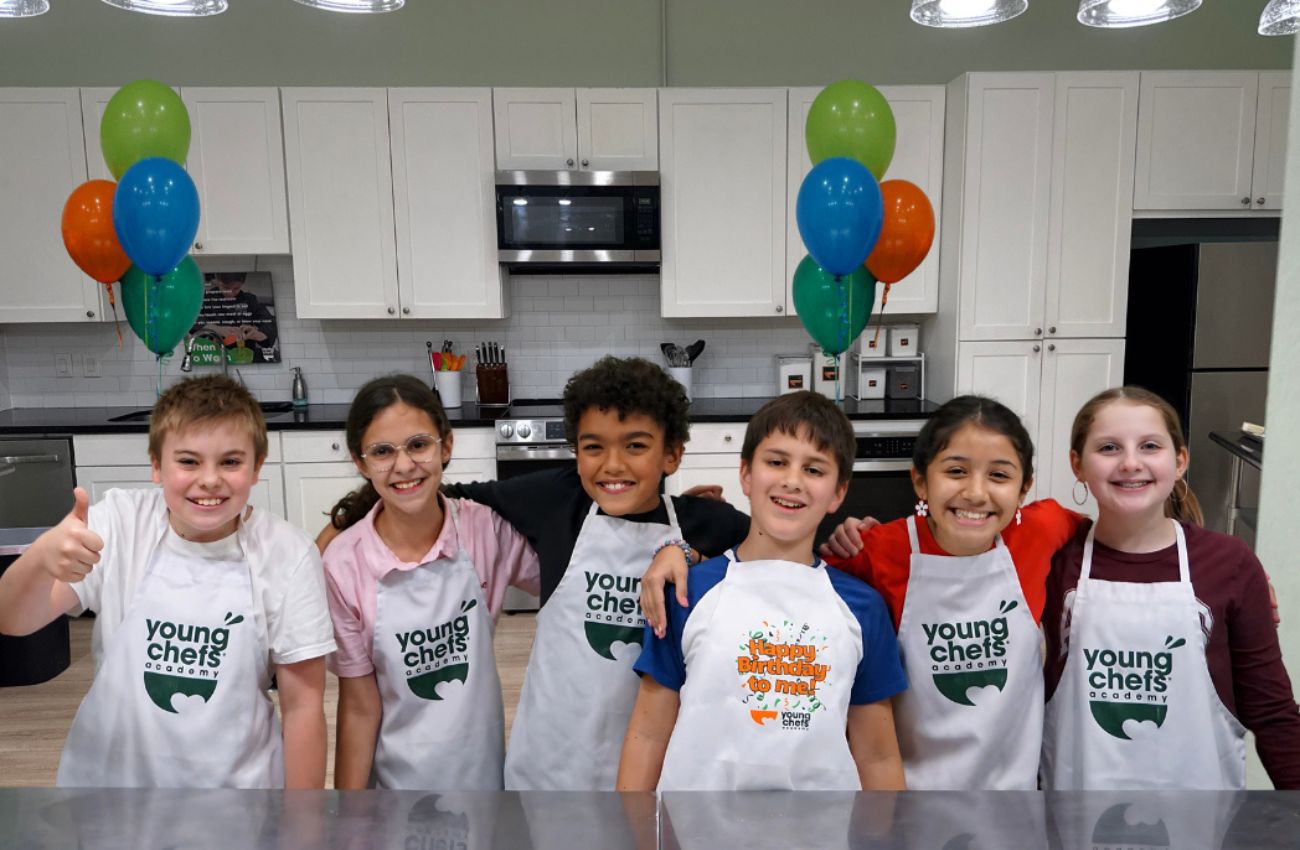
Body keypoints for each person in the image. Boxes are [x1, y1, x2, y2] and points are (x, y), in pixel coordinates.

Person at [643, 395, 1082, 790]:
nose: (975, 492)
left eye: (999, 475)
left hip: (1010, 795)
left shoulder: (1044, 529)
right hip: (913, 795)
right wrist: (682, 551)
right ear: (920, 482)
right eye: (955, 470)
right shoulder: (876, 551)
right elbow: (774, 570)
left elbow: (1109, 535)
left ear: (1025, 488)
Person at [0, 375, 334, 788]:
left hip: (236, 797)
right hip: (109, 788)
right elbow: (13, 620)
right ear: (156, 466)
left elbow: (303, 708)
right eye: (189, 461)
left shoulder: (288, 554)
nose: (209, 479)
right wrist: (40, 558)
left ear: (256, 468)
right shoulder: (120, 523)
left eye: (230, 462)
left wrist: (302, 818)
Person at [440, 355, 750, 790]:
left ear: (672, 455)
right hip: (550, 767)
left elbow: (777, 553)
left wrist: (691, 554)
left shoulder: (706, 523)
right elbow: (445, 496)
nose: (613, 464)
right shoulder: (557, 499)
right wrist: (349, 520)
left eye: (635, 446)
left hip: (654, 770)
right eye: (593, 447)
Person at [617, 392, 907, 791]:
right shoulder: (688, 593)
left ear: (838, 492)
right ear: (746, 475)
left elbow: (878, 756)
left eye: (814, 469)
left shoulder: (863, 608)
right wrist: (631, 823)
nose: (792, 481)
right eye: (776, 462)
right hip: (695, 823)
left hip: (824, 823)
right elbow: (648, 735)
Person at [1041, 386, 1300, 789]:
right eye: (1108, 448)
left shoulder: (1228, 563)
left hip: (1202, 812)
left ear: (1179, 461)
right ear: (1078, 464)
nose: (1131, 463)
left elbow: (1271, 712)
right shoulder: (1052, 562)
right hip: (1072, 808)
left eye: (1149, 446)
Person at [320, 374, 540, 790]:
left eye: (418, 445)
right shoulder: (343, 564)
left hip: (482, 776)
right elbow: (360, 707)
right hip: (393, 788)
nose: (404, 466)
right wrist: (350, 812)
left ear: (446, 445)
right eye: (382, 451)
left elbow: (562, 584)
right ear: (361, 463)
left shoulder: (483, 530)